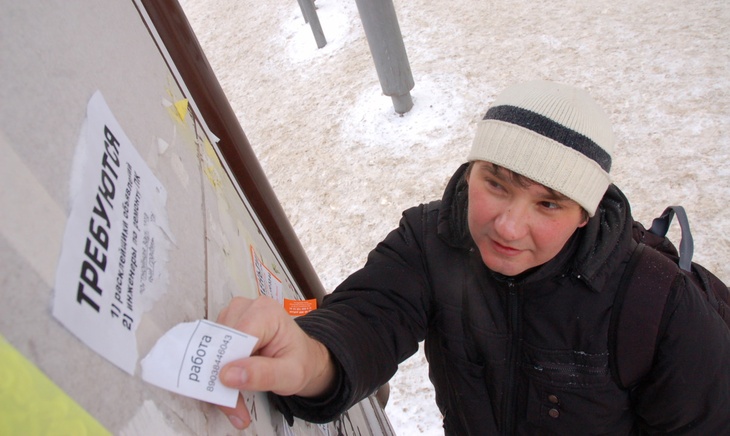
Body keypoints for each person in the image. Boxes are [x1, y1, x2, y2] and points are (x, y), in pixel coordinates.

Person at [213, 80, 730, 434]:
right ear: (469, 172)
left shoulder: (657, 303)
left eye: (548, 203)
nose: (507, 227)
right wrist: (311, 360)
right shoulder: (431, 241)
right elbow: (370, 316)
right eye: (496, 184)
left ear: (584, 215)